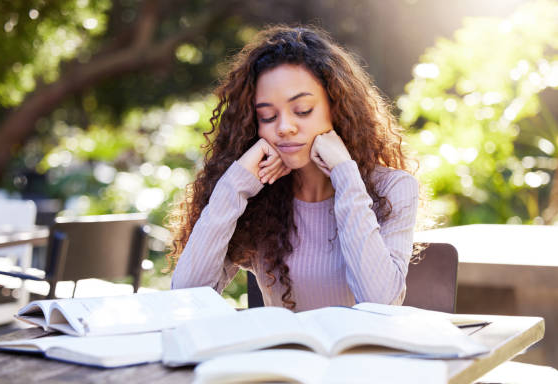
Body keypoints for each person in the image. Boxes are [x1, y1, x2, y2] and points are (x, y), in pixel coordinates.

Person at [168, 25, 419, 311]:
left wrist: (345, 176)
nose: (284, 128)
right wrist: (234, 186)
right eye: (267, 116)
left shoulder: (393, 188)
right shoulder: (263, 196)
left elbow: (382, 304)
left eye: (302, 111)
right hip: (285, 355)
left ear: (337, 108)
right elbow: (186, 298)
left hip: (361, 355)